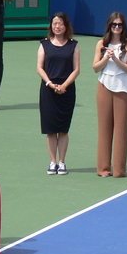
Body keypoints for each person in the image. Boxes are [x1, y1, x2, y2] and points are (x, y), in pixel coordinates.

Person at [93, 12, 127, 178]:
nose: (117, 28)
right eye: (114, 25)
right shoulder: (101, 44)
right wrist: (106, 57)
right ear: (109, 26)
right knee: (104, 128)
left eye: (120, 25)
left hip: (123, 88)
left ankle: (119, 170)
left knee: (121, 130)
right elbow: (96, 67)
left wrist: (117, 59)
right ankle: (103, 169)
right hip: (104, 86)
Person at [37, 12, 80, 176]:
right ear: (51, 26)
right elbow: (40, 67)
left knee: (63, 129)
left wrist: (63, 86)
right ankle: (52, 162)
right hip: (48, 90)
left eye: (61, 24)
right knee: (50, 129)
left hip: (67, 90)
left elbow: (76, 69)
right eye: (55, 23)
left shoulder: (73, 45)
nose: (57, 26)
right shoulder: (44, 44)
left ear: (66, 26)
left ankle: (62, 162)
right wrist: (50, 83)